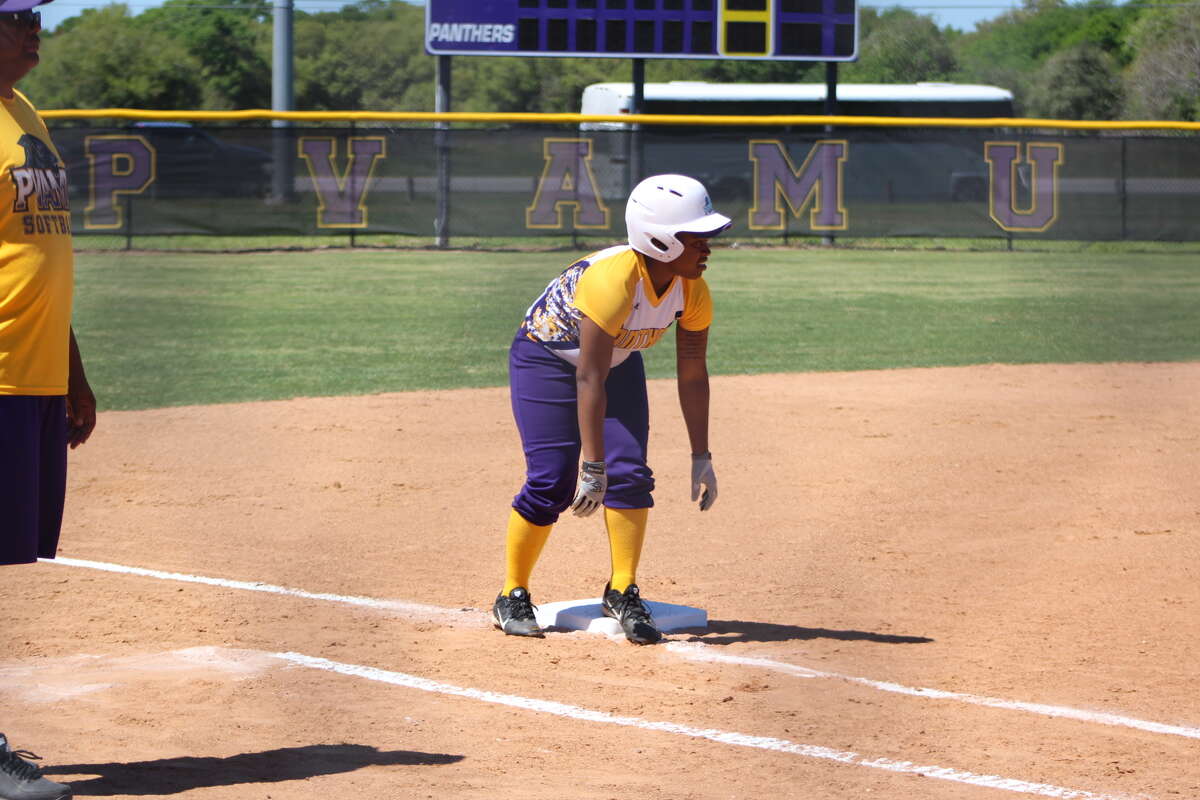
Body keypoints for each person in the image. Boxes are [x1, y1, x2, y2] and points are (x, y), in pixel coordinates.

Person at [492, 174, 730, 645]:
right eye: (695, 237)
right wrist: (592, 466)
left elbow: (692, 374)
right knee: (552, 480)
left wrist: (701, 454)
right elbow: (588, 376)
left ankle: (621, 589)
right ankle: (511, 593)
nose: (707, 247)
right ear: (659, 239)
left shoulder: (692, 289)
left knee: (632, 474)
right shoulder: (613, 280)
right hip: (548, 357)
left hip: (614, 361)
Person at [1, 0, 96, 797]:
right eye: (14, 16)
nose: (33, 28)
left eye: (36, 14)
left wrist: (71, 368)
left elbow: (41, 251)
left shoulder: (24, 110)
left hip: (30, 374)